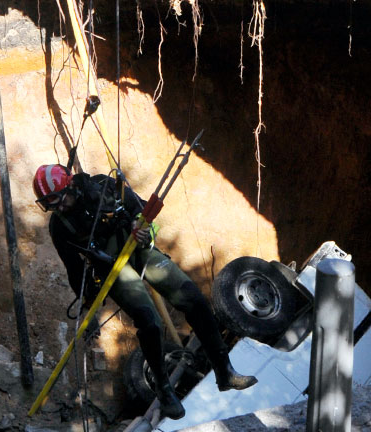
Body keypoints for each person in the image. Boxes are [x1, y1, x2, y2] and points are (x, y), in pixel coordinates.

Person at [33, 164, 257, 419]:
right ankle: (164, 390)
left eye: (58, 200)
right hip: (113, 269)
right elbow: (75, 270)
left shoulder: (106, 187)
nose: (57, 208)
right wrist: (89, 303)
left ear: (70, 185)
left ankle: (224, 370)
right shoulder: (60, 227)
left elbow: (140, 209)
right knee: (149, 321)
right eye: (49, 204)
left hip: (138, 249)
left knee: (193, 299)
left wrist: (143, 231)